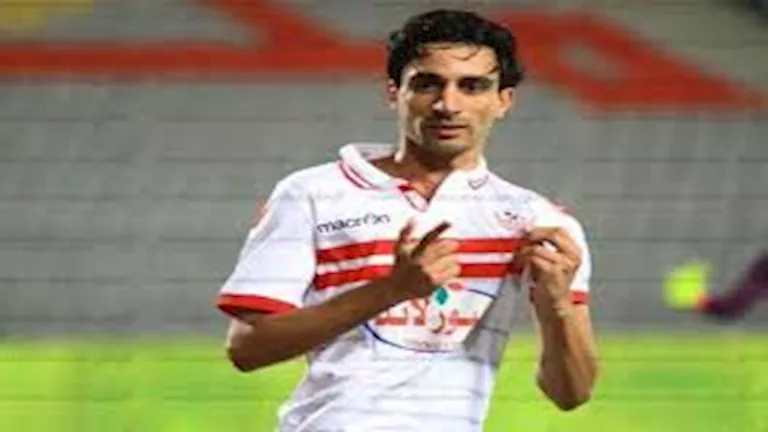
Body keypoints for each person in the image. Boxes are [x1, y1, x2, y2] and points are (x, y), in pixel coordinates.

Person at [215, 9, 599, 431]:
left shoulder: (536, 221)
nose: (447, 105)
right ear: (394, 92)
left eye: (472, 86)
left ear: (503, 101)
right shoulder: (312, 194)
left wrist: (557, 305)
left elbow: (572, 393)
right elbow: (247, 349)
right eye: (427, 84)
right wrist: (393, 290)